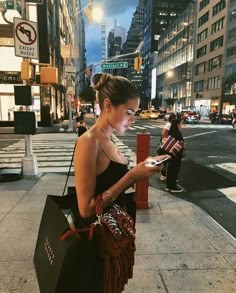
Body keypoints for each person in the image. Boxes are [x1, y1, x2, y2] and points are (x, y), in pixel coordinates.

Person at [73, 73, 170, 292]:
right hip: (98, 247)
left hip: (116, 237)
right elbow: (86, 209)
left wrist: (142, 166)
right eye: (128, 112)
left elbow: (112, 179)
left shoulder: (109, 138)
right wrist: (131, 177)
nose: (133, 119)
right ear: (108, 105)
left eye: (134, 113)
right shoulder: (89, 142)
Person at [166, 118, 185, 193]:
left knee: (170, 170)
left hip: (170, 154)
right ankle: (173, 187)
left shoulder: (171, 132)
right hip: (176, 154)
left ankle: (169, 185)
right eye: (180, 123)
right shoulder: (177, 133)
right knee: (174, 170)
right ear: (177, 125)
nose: (181, 125)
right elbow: (180, 143)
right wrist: (183, 146)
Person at [159, 113, 176, 181]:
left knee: (167, 160)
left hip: (167, 143)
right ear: (173, 119)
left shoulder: (170, 124)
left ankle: (164, 175)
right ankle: (163, 175)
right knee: (167, 160)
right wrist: (165, 140)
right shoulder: (169, 124)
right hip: (166, 144)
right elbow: (163, 133)